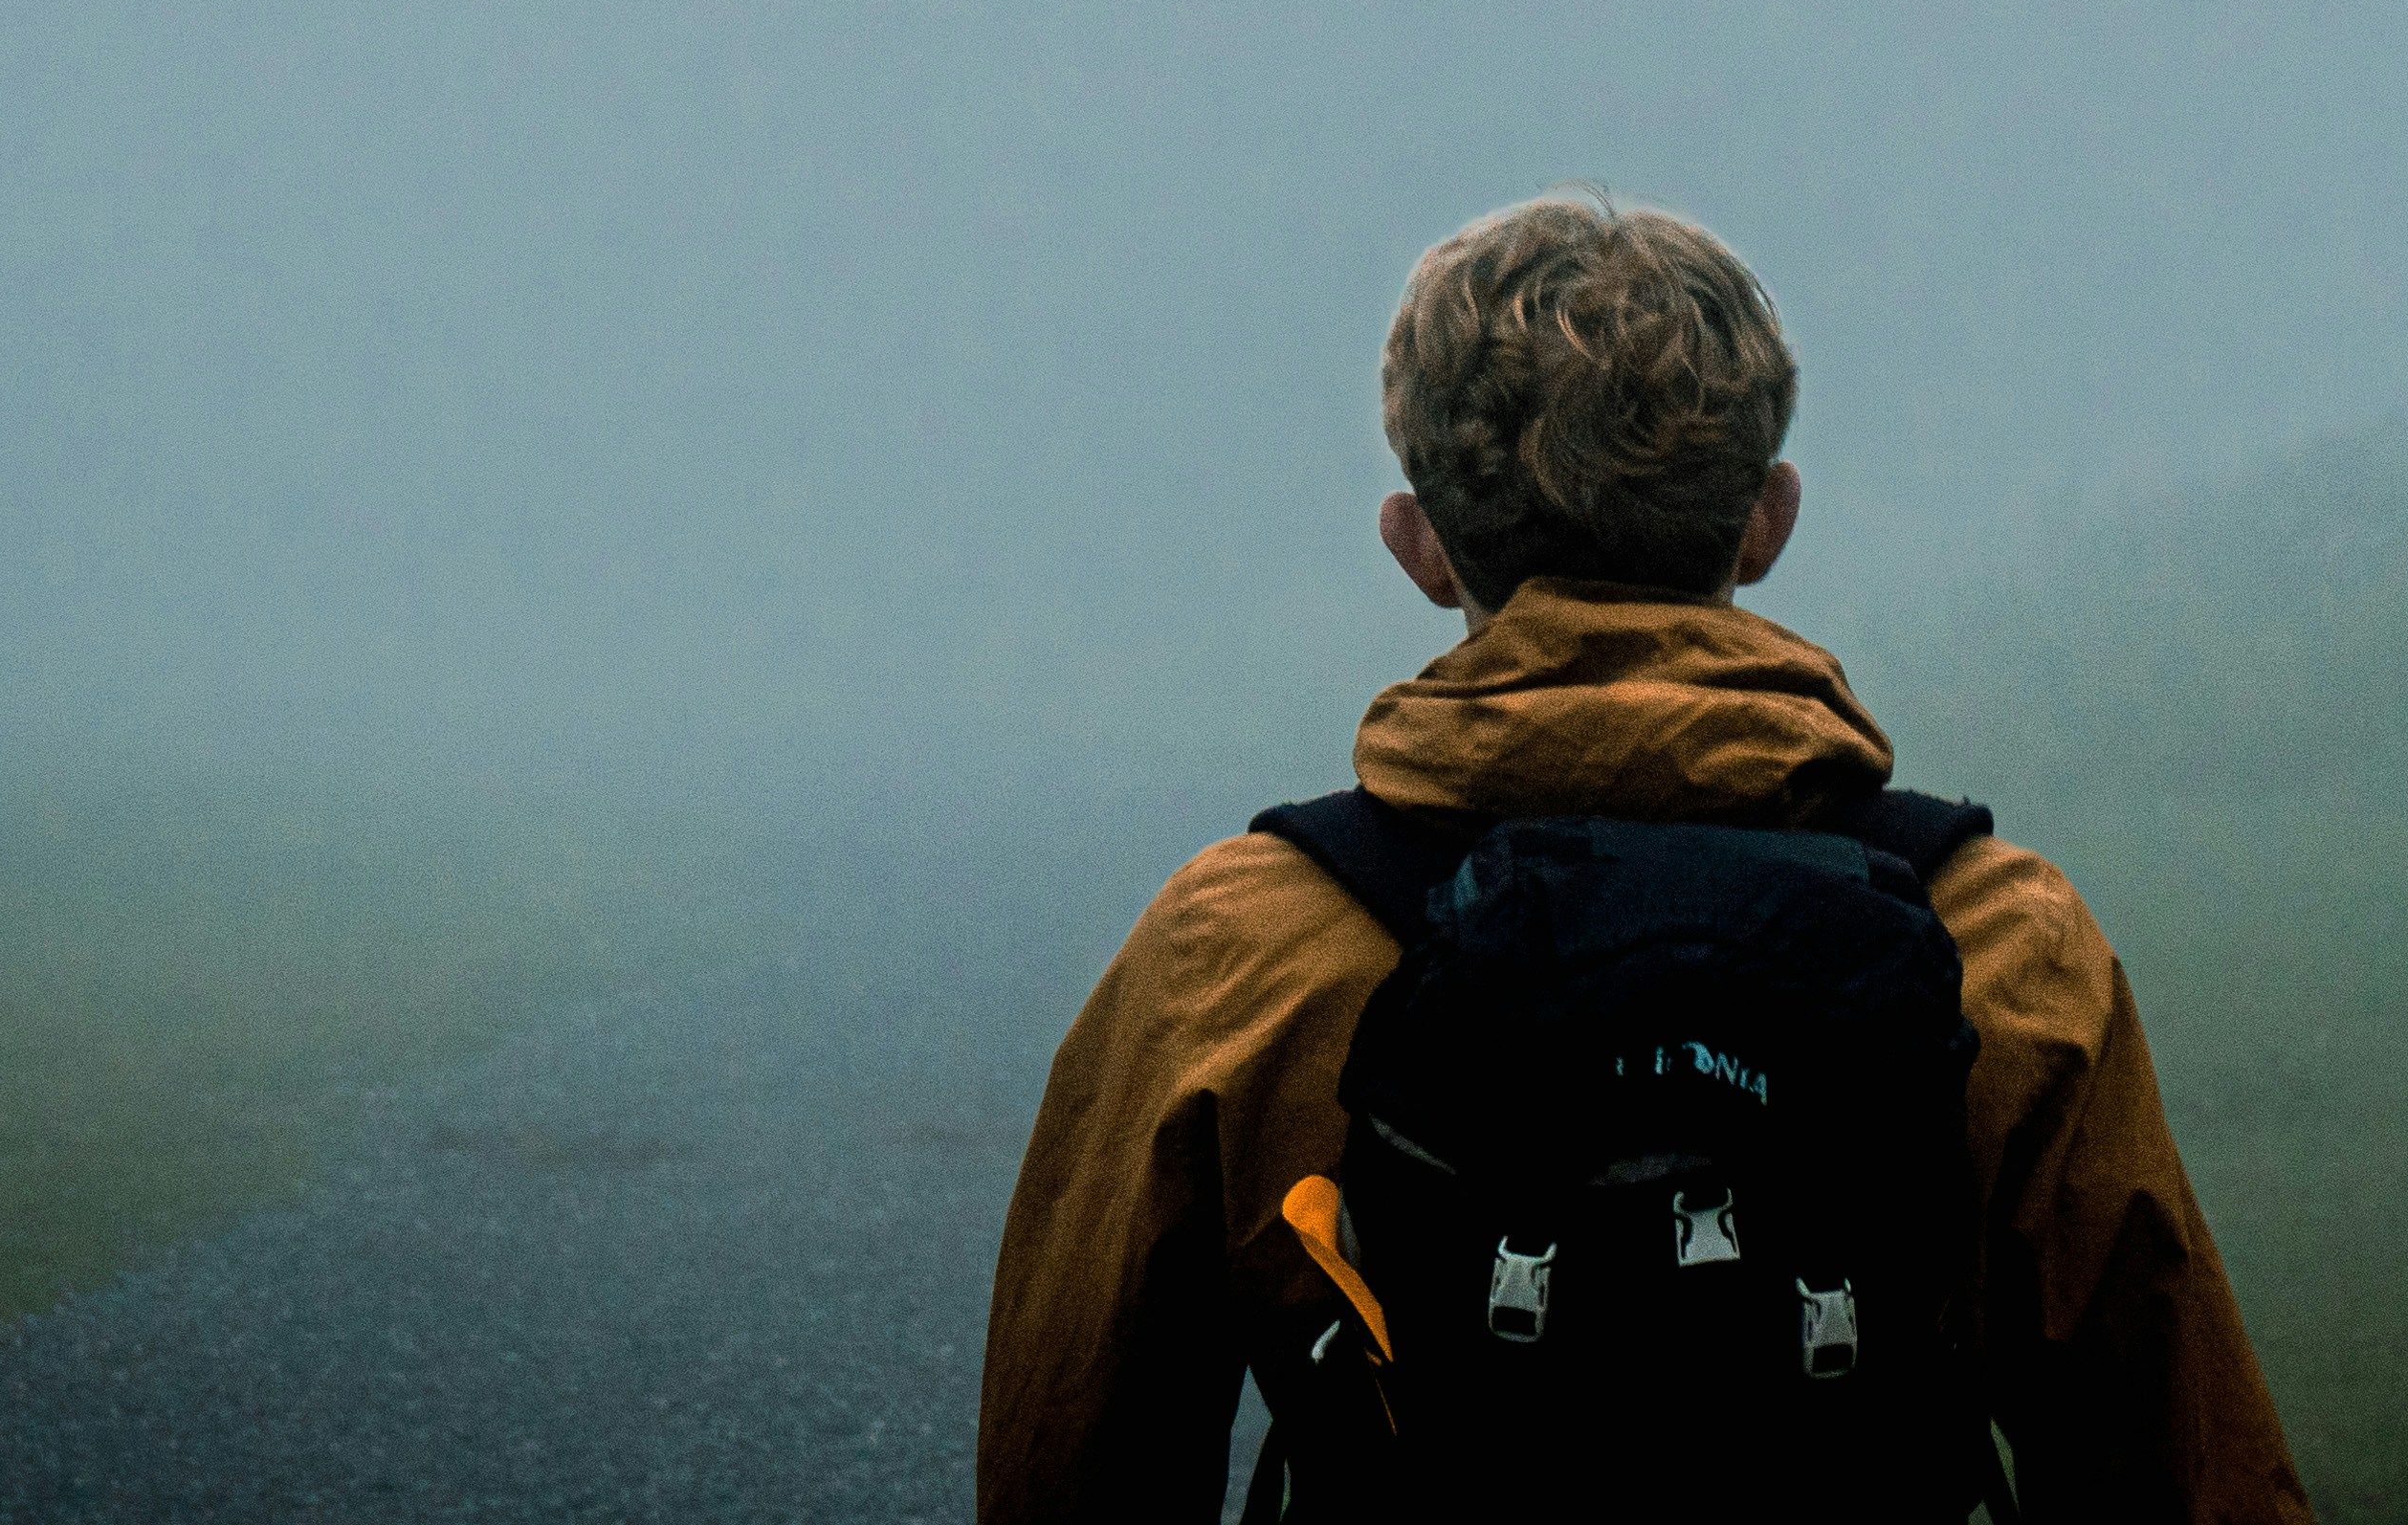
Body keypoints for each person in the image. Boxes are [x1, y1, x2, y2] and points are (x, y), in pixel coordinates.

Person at [976, 191, 2312, 1521]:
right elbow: (2187, 1472)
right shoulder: (2000, 939)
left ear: (1421, 548)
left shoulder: (1237, 949)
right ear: (1765, 523)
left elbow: (1069, 1462)